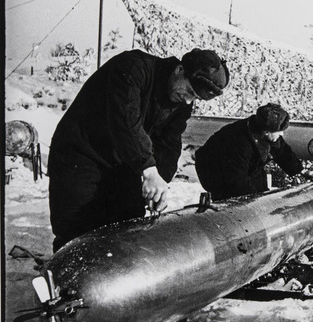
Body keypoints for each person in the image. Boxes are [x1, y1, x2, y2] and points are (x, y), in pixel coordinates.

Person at [48, 48, 230, 252]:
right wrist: (149, 170)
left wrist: (159, 182)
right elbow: (125, 123)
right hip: (80, 154)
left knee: (126, 225)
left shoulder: (181, 103)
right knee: (77, 229)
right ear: (180, 70)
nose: (188, 101)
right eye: (189, 91)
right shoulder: (133, 68)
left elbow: (169, 143)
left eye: (195, 98)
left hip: (123, 161)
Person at [194, 103, 304, 201]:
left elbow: (282, 151)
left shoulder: (266, 129)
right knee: (241, 201)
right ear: (266, 132)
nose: (281, 134)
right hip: (215, 172)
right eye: (279, 132)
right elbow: (238, 181)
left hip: (243, 168)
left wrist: (298, 172)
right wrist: (256, 202)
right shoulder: (238, 141)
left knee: (261, 193)